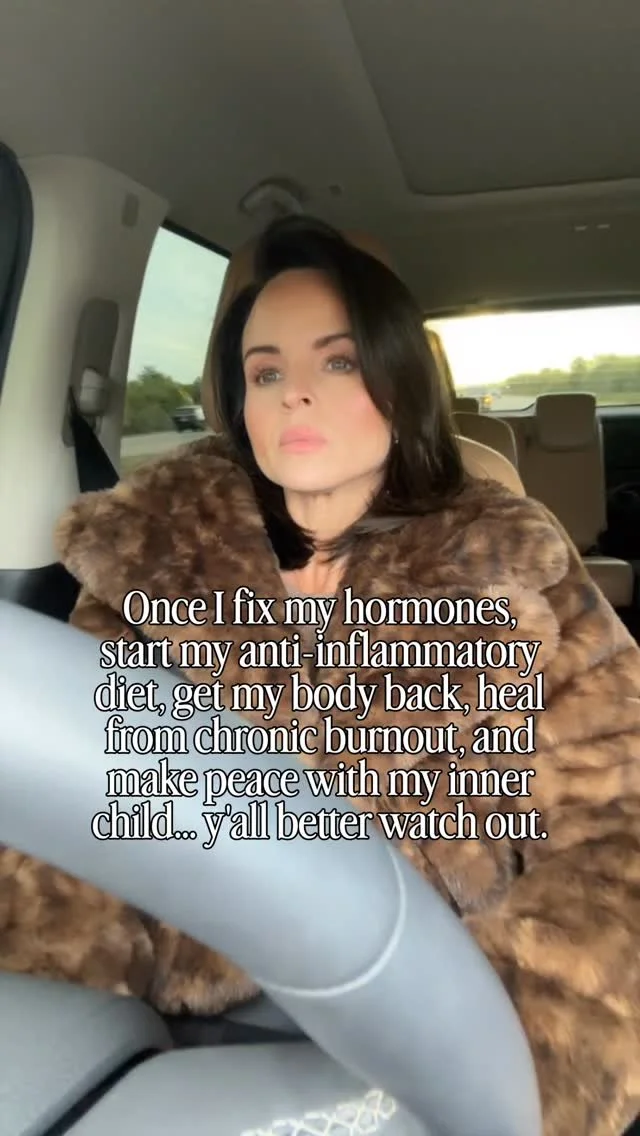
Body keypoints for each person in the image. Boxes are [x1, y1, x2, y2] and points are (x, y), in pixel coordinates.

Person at [2, 214, 640, 1136]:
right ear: (240, 404)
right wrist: (77, 1050)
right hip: (185, 1034)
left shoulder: (514, 562)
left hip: (463, 1007)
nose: (295, 391)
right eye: (266, 373)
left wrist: (511, 1075)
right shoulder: (148, 565)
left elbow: (618, 829)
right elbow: (80, 832)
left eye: (338, 362)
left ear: (400, 383)